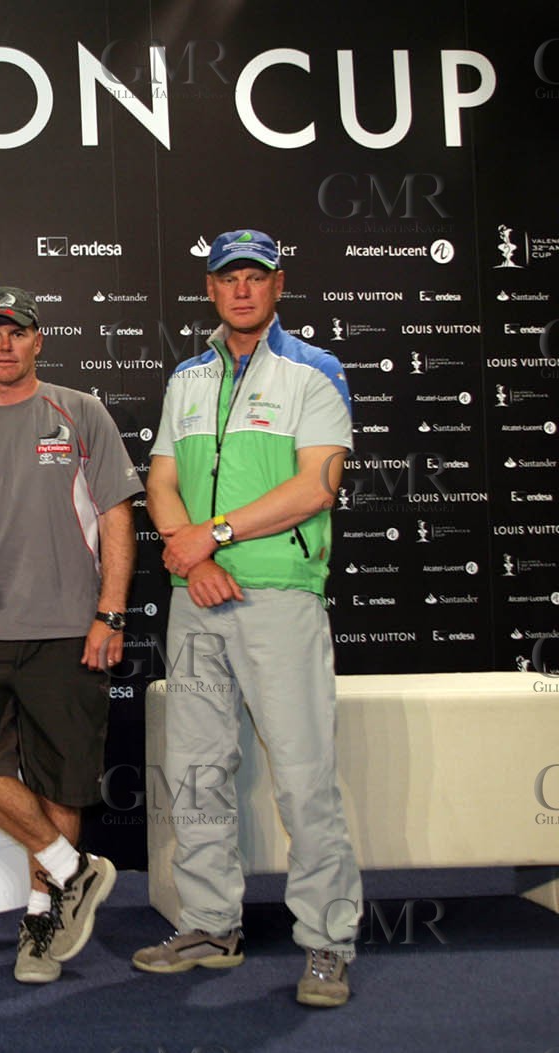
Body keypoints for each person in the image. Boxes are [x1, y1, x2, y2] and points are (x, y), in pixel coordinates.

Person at [136, 228, 360, 1007]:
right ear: (210, 288)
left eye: (255, 277)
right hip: (197, 596)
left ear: (277, 285)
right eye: (228, 277)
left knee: (304, 775)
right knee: (198, 770)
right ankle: (209, 923)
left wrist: (217, 535)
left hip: (279, 595)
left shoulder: (315, 370)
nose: (241, 289)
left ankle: (327, 940)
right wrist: (194, 557)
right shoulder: (188, 377)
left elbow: (316, 485)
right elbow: (161, 480)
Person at [0, 286, 140, 984]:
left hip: (70, 628)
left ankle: (42, 921)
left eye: (18, 331)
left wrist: (110, 613)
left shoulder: (80, 411)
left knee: (58, 782)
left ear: (38, 341)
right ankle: (75, 870)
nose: (5, 344)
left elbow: (117, 517)